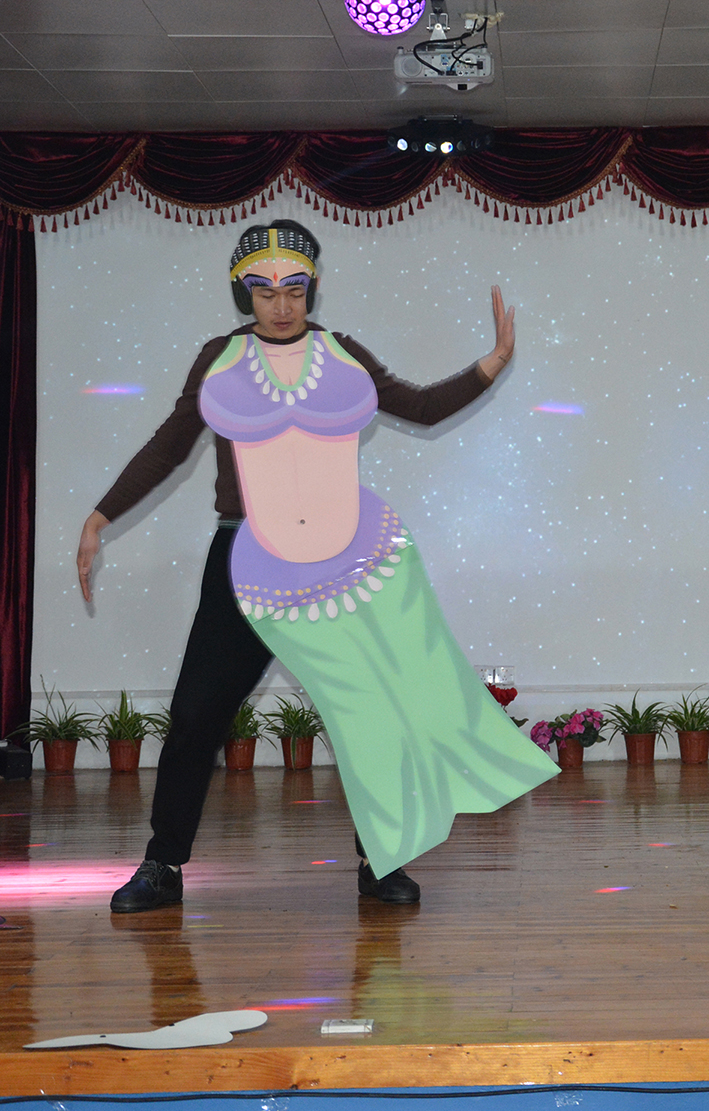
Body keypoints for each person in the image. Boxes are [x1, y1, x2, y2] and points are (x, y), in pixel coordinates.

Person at [77, 219, 557, 914]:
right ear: (244, 292)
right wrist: (100, 516)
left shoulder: (341, 354)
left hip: (340, 563)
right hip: (244, 559)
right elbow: (170, 444)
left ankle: (378, 859)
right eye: (265, 290)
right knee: (195, 714)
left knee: (370, 714)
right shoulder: (220, 358)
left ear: (313, 287)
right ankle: (162, 864)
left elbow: (421, 407)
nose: (281, 304)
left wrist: (494, 361)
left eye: (294, 289)